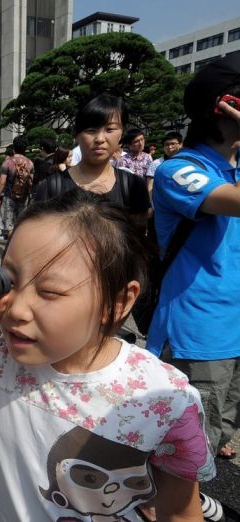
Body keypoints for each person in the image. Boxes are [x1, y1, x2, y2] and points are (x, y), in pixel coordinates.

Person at [0, 189, 216, 521]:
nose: (18, 309)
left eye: (50, 292)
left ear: (118, 303)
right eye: (9, 281)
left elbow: (181, 513)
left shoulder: (164, 399)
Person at [148, 53, 240, 465]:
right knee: (184, 452)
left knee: (216, 433)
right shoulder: (179, 170)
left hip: (232, 326)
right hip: (199, 335)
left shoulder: (233, 168)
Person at [34, 94, 150, 235]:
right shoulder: (50, 187)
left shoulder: (134, 186)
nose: (100, 139)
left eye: (110, 129)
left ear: (121, 134)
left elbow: (137, 244)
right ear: (77, 135)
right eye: (91, 130)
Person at [0, 134, 33, 240]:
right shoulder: (30, 163)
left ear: (14, 147)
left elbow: (2, 182)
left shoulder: (8, 162)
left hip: (9, 196)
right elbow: (31, 182)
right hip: (24, 198)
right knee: (20, 224)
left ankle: (11, 247)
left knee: (9, 226)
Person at [145, 131, 182, 195]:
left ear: (181, 144)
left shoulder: (188, 163)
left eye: (173, 144)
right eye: (167, 144)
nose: (170, 147)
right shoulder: (156, 164)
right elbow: (150, 187)